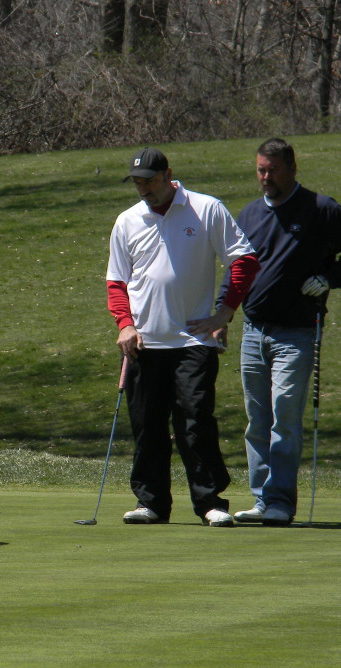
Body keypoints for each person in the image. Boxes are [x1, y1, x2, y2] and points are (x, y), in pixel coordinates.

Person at [107, 148, 260, 527]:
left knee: (195, 424)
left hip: (193, 341)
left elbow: (243, 260)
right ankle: (151, 502)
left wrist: (224, 312)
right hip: (144, 343)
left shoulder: (205, 209)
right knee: (147, 426)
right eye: (138, 182)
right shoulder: (127, 220)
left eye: (150, 181)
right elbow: (116, 282)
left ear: (168, 174)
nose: (144, 189)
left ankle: (210, 502)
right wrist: (125, 324)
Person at [227, 138, 341, 526]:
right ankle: (261, 499)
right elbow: (238, 268)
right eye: (260, 169)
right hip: (254, 330)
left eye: (273, 169)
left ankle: (279, 502)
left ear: (292, 168)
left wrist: (329, 278)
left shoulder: (320, 208)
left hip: (297, 332)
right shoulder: (249, 214)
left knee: (284, 418)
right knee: (256, 421)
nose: (266, 177)